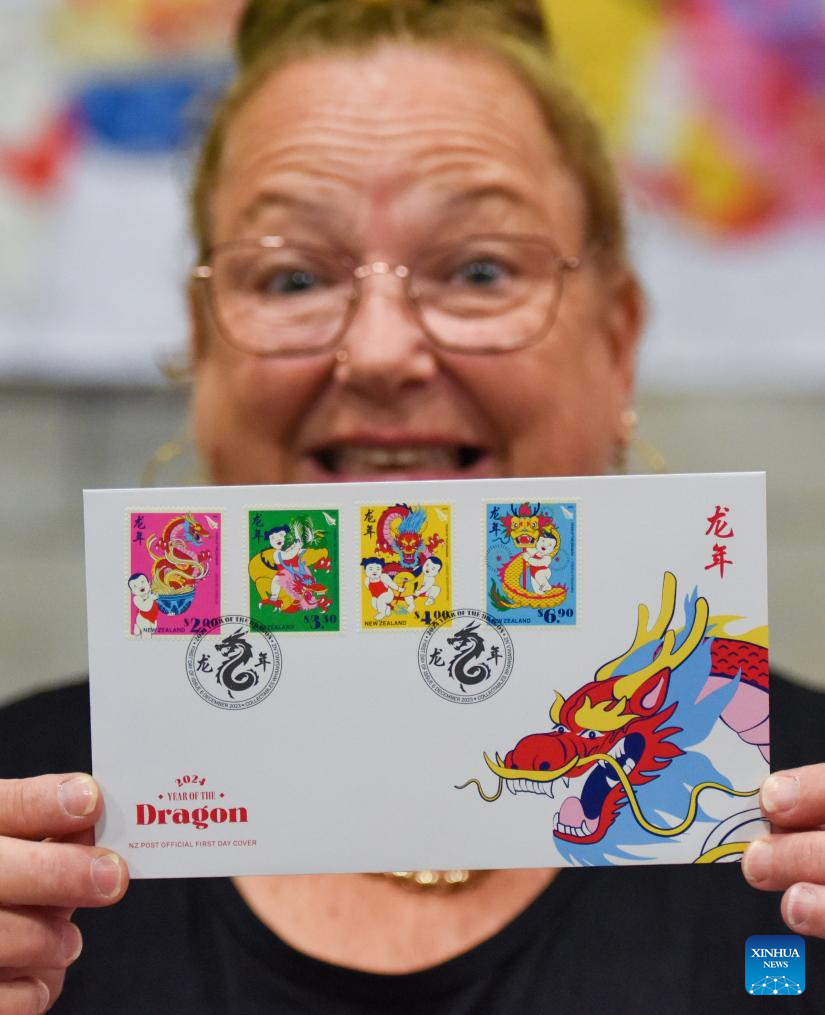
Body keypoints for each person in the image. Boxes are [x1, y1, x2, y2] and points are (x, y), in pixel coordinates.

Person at [1, 1, 824, 1011]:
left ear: (616, 343)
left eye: (479, 269)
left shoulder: (793, 810)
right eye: (291, 277)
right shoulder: (29, 824)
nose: (380, 351)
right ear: (203, 347)